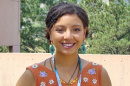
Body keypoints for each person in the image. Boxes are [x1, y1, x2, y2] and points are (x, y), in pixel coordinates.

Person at [16, 2, 111, 86]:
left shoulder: (99, 74)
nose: (68, 36)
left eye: (76, 29)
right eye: (60, 30)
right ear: (50, 34)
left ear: (84, 33)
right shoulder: (33, 76)